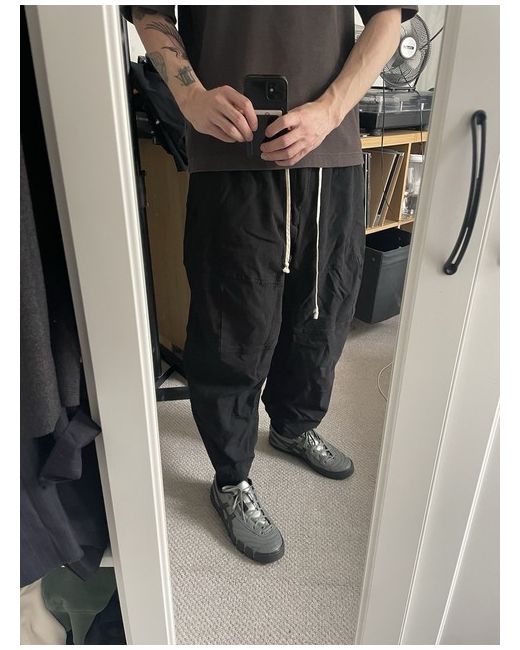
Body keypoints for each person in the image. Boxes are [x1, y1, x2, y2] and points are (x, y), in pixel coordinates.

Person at [122, 5, 417, 564]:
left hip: (330, 153)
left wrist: (329, 111)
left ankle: (293, 425)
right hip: (230, 155)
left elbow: (389, 17)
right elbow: (149, 14)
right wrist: (190, 97)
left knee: (324, 309)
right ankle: (230, 477)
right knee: (232, 325)